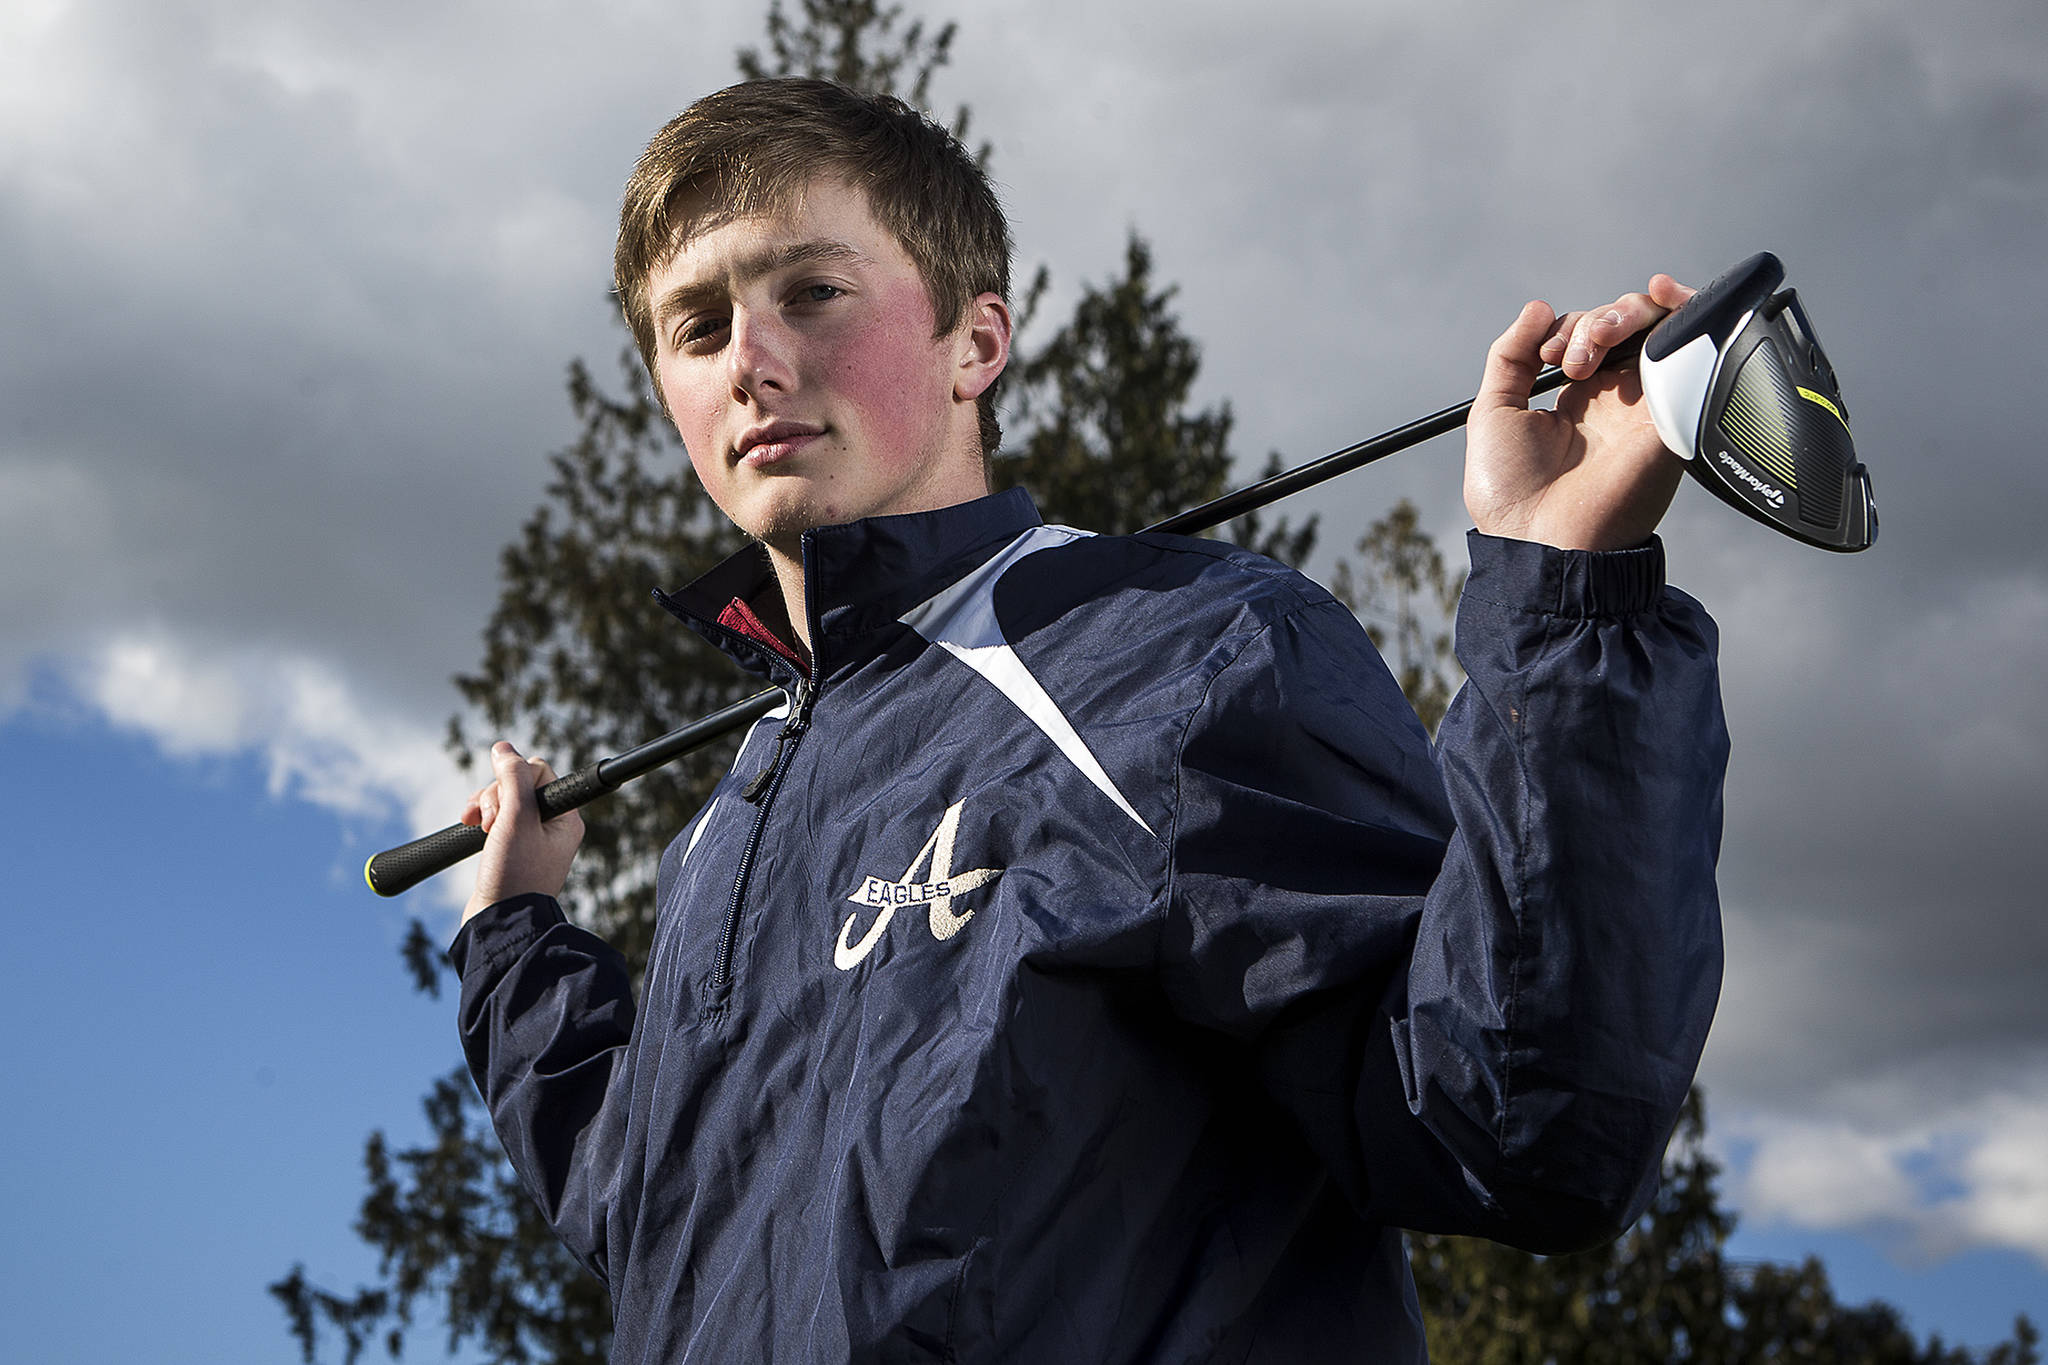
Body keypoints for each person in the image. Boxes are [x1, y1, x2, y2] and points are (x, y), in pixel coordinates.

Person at [451, 78, 1726, 1363]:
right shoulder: (723, 830)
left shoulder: (1177, 651)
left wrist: (1562, 593)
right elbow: (656, 1214)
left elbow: (1506, 1118)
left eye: (811, 293)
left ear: (977, 343)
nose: (752, 362)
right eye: (696, 325)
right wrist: (513, 941)